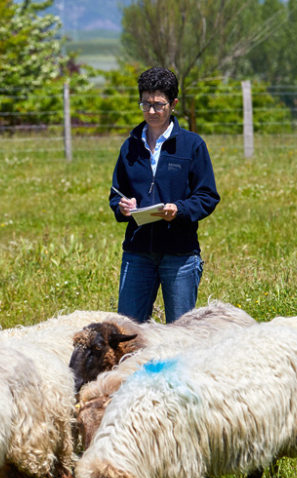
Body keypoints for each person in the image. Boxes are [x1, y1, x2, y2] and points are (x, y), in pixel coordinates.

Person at [109, 67, 219, 324]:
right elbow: (116, 193)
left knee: (181, 334)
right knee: (127, 331)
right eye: (145, 104)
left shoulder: (192, 145)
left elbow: (207, 195)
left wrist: (178, 210)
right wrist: (123, 206)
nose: (151, 111)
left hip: (180, 254)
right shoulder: (130, 146)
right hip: (138, 253)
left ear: (173, 104)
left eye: (158, 105)